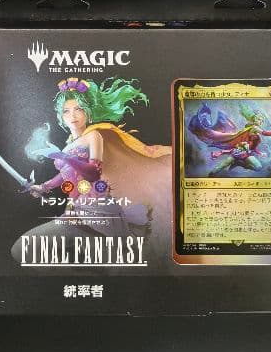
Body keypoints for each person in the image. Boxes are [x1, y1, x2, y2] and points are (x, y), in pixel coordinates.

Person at [14, 77, 172, 267]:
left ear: (87, 111)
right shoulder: (70, 143)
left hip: (97, 209)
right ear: (61, 116)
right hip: (76, 209)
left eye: (78, 109)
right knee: (25, 250)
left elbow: (93, 173)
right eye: (66, 111)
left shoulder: (93, 135)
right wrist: (43, 187)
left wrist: (64, 156)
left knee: (114, 264)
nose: (72, 115)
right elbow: (66, 174)